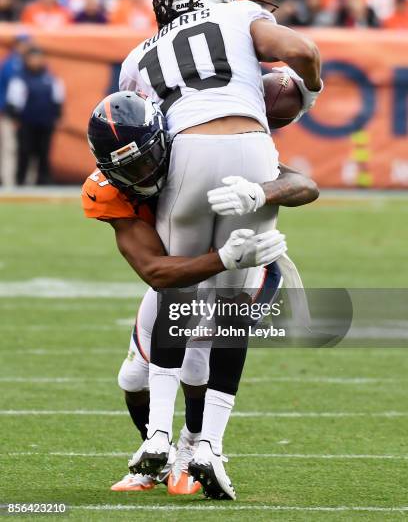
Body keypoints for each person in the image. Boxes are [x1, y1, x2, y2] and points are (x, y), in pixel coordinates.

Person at [119, 0, 323, 499]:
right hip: (251, 148)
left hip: (184, 152)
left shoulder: (136, 56)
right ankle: (209, 446)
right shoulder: (239, 13)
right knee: (232, 309)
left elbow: (143, 133)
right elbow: (302, 55)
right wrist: (313, 88)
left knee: (175, 295)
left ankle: (158, 438)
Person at [82, 89, 318, 495]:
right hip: (189, 270)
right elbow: (155, 270)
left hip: (249, 269)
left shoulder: (195, 153)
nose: (141, 176)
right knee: (132, 377)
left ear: (162, 140)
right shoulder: (108, 189)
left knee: (196, 362)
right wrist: (224, 257)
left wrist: (261, 191)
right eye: (128, 169)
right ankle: (160, 453)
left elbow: (304, 184)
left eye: (145, 160)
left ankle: (196, 450)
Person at [5, 46, 64, 185]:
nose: (36, 61)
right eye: (33, 58)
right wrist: (15, 118)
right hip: (26, 123)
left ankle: (42, 182)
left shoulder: (50, 79)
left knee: (43, 153)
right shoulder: (20, 79)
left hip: (45, 122)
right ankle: (20, 182)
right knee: (24, 152)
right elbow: (13, 102)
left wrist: (57, 117)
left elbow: (57, 99)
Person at [0, 34, 31, 186]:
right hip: (10, 113)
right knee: (10, 148)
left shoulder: (27, 62)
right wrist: (11, 112)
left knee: (26, 148)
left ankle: (23, 181)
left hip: (25, 114)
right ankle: (9, 182)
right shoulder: (12, 64)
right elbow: (12, 91)